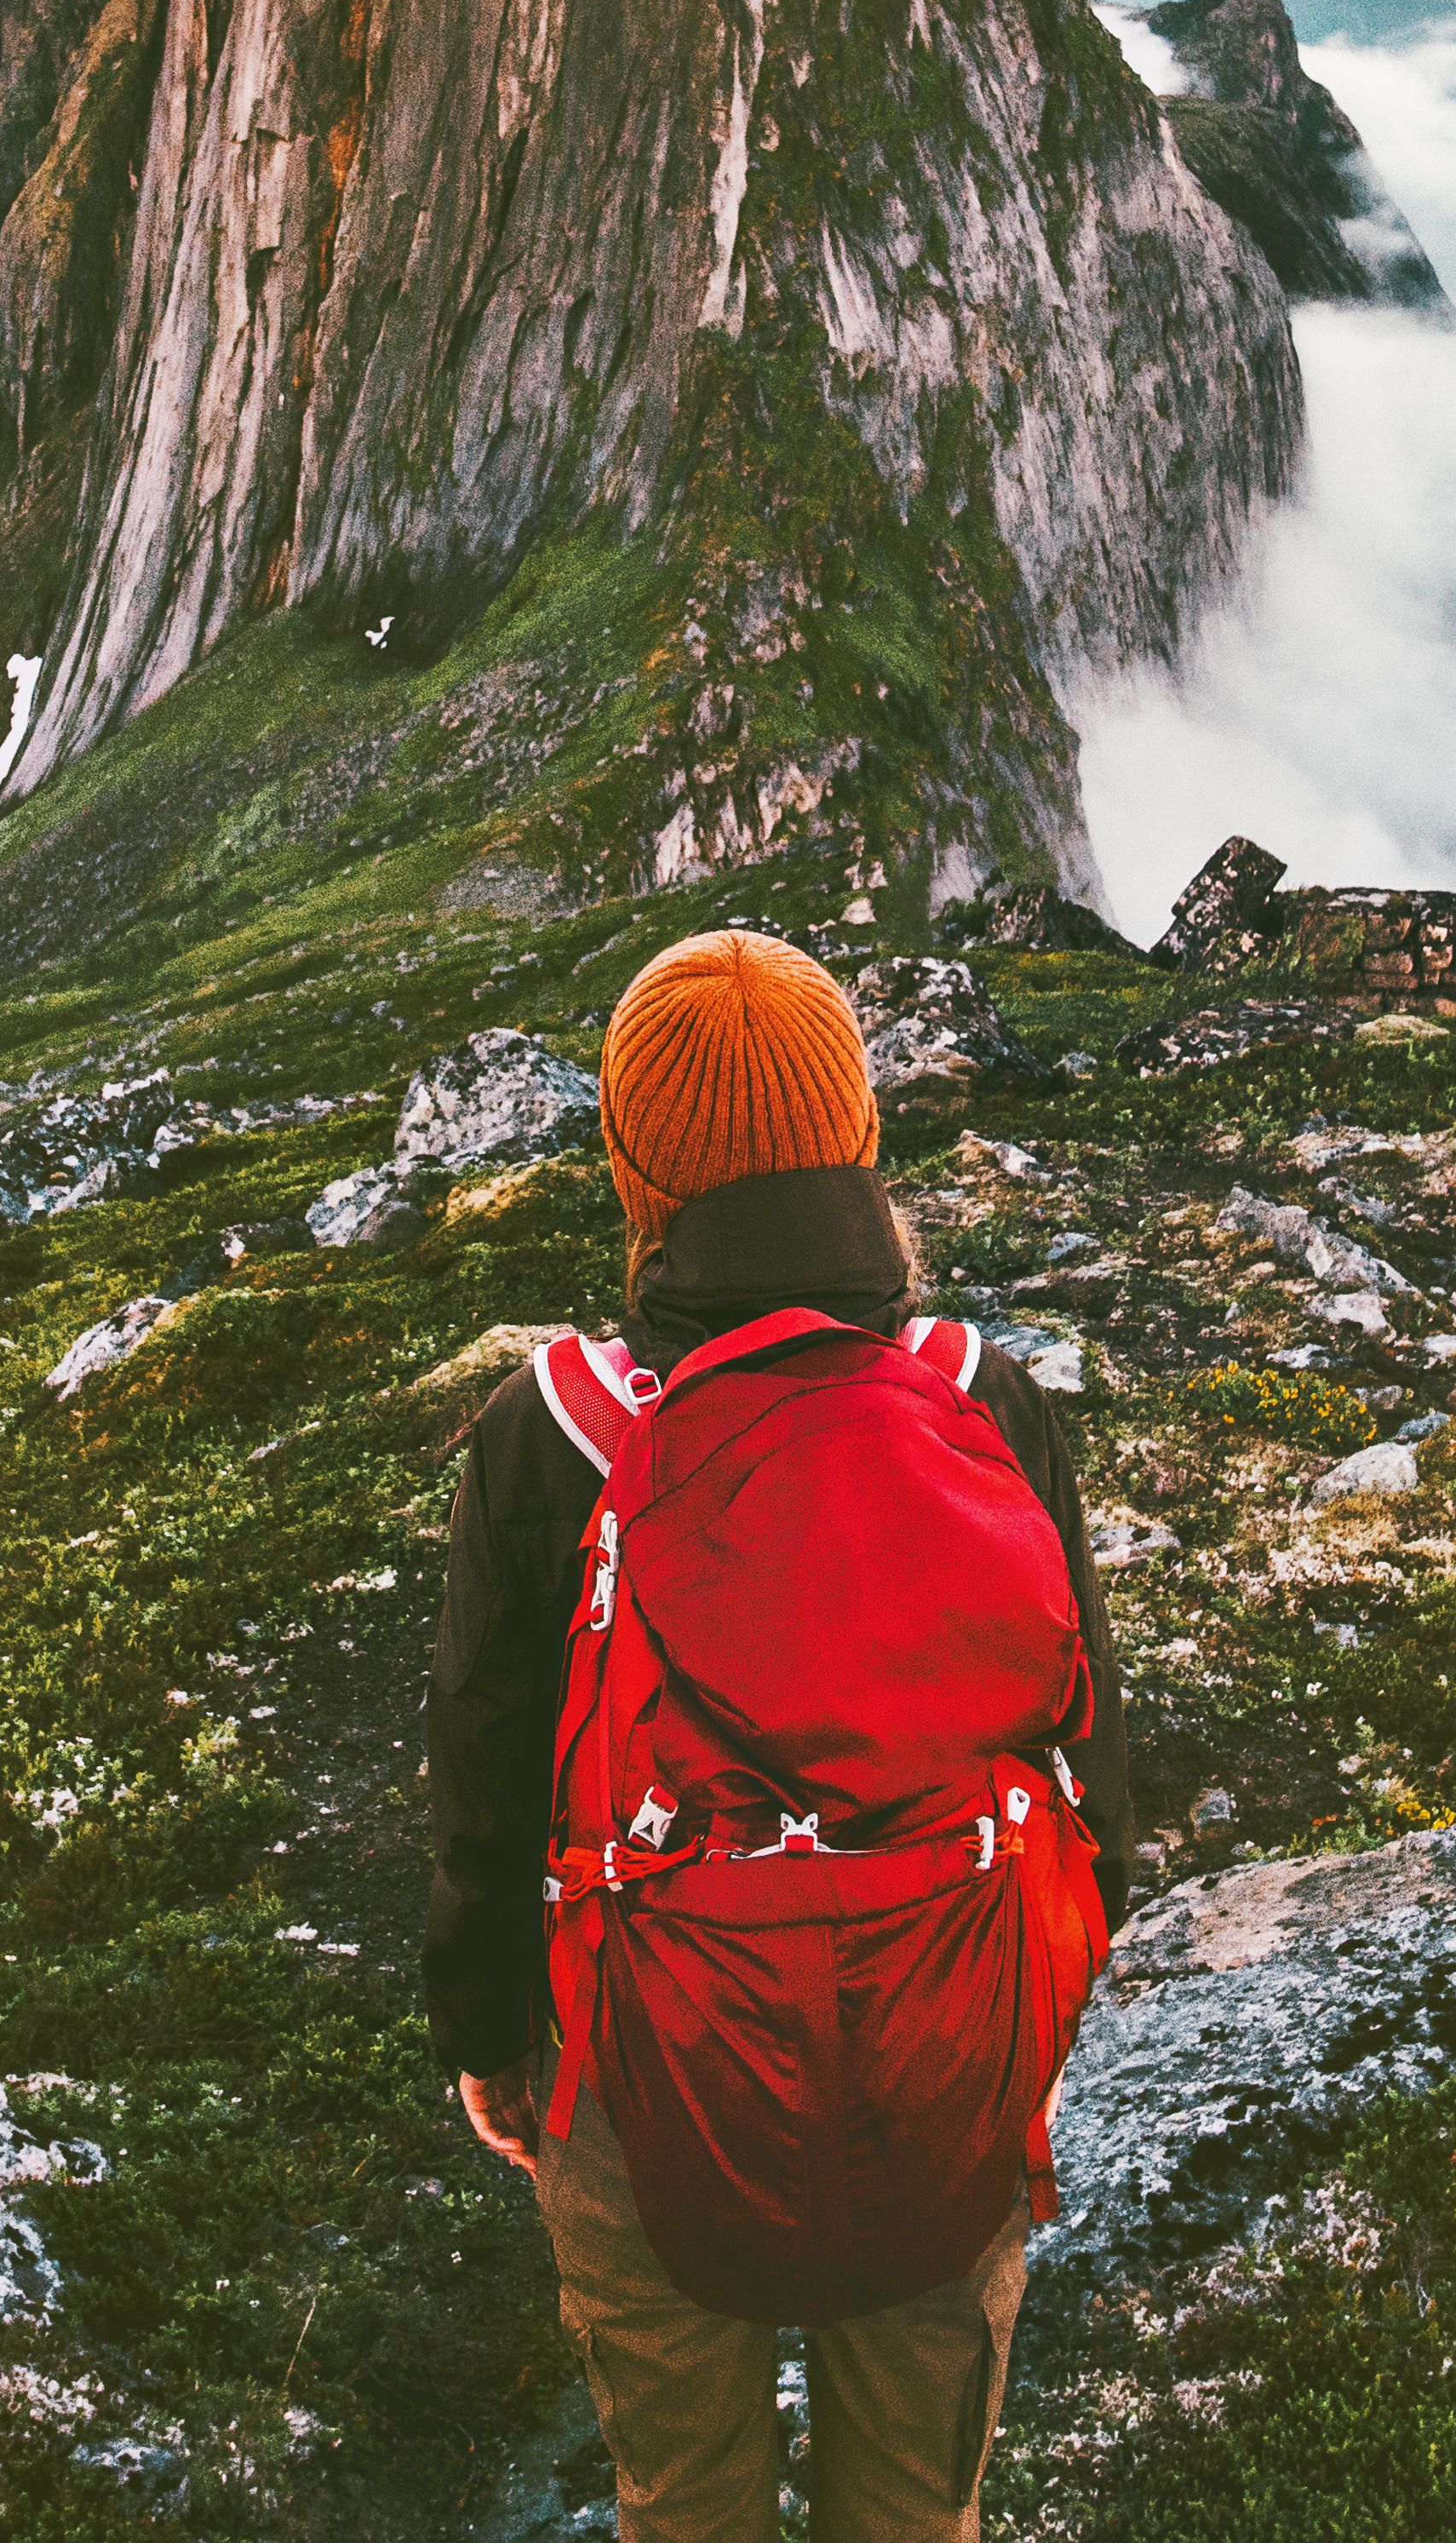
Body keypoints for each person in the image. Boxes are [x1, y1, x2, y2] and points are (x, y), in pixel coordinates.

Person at [421, 927, 1139, 2543]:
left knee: (688, 2505)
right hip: (948, 2044)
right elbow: (1087, 1744)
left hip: (643, 2062)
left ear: (633, 1174)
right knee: (911, 2513)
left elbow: (483, 1781)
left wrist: (486, 2030)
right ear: (861, 1140)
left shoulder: (553, 1437)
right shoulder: (985, 1400)